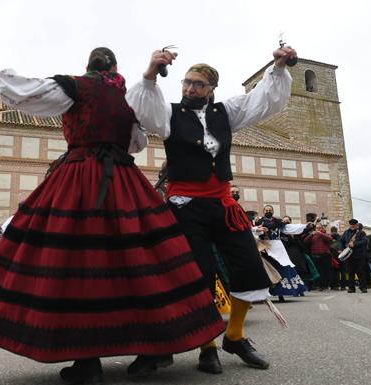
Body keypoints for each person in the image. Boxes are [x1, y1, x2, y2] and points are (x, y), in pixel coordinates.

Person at [0, 48, 225, 384]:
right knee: (142, 262)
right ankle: (155, 346)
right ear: (115, 68)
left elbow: (23, 89)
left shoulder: (74, 87)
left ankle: (87, 361)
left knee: (78, 264)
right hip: (123, 181)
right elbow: (136, 144)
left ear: (88, 66)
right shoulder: (126, 99)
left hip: (78, 180)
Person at [126, 44, 296, 374]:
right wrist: (150, 72)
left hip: (222, 204)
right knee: (200, 275)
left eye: (198, 84)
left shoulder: (225, 113)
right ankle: (208, 347)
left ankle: (234, 335)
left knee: (248, 267)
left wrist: (277, 67)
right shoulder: (169, 113)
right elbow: (142, 108)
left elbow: (262, 100)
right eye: (186, 82)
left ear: (211, 89)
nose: (190, 88)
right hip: (185, 207)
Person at [340, 219, 368, 293]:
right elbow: (341, 241)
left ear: (357, 225)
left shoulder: (361, 233)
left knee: (360, 272)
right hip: (349, 256)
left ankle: (363, 287)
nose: (352, 226)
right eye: (351, 225)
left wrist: (354, 244)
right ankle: (351, 288)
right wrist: (342, 249)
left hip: (359, 255)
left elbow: (365, 241)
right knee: (350, 272)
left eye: (354, 225)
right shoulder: (346, 232)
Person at [304, 223, 334, 291]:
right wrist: (311, 235)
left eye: (320, 228)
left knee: (325, 271)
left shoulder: (325, 234)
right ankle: (318, 286)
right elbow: (305, 241)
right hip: (315, 255)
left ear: (322, 228)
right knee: (317, 272)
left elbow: (330, 239)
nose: (318, 229)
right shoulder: (312, 235)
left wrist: (320, 234)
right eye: (317, 228)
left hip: (325, 255)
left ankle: (325, 286)